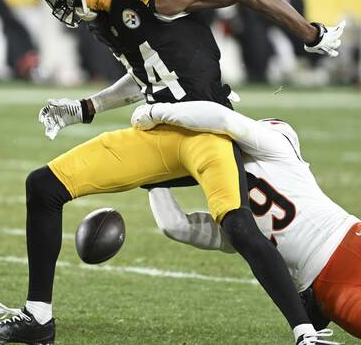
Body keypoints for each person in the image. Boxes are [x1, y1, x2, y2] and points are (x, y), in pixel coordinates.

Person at [0, 0, 343, 345]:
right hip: (159, 133)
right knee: (43, 186)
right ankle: (38, 320)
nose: (56, 1)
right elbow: (147, 70)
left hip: (206, 129)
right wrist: (86, 107)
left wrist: (310, 35)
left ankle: (306, 333)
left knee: (238, 225)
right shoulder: (105, 18)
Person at [130, 100, 360, 339]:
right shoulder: (237, 205)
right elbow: (177, 226)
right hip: (339, 264)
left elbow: (175, 226)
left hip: (336, 272)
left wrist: (153, 175)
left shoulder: (271, 154)